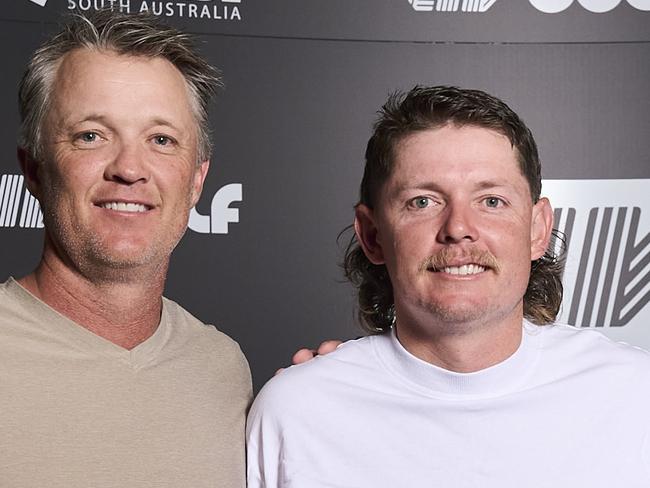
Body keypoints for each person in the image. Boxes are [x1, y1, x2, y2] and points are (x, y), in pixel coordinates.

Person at [247, 86, 650, 487]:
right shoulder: (296, 413)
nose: (458, 229)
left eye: (491, 201)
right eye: (423, 202)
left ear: (538, 228)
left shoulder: (636, 395)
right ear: (372, 236)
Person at [1, 10, 251, 487]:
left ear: (197, 180)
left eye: (161, 140)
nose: (130, 169)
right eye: (91, 135)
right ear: (33, 170)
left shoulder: (222, 368)